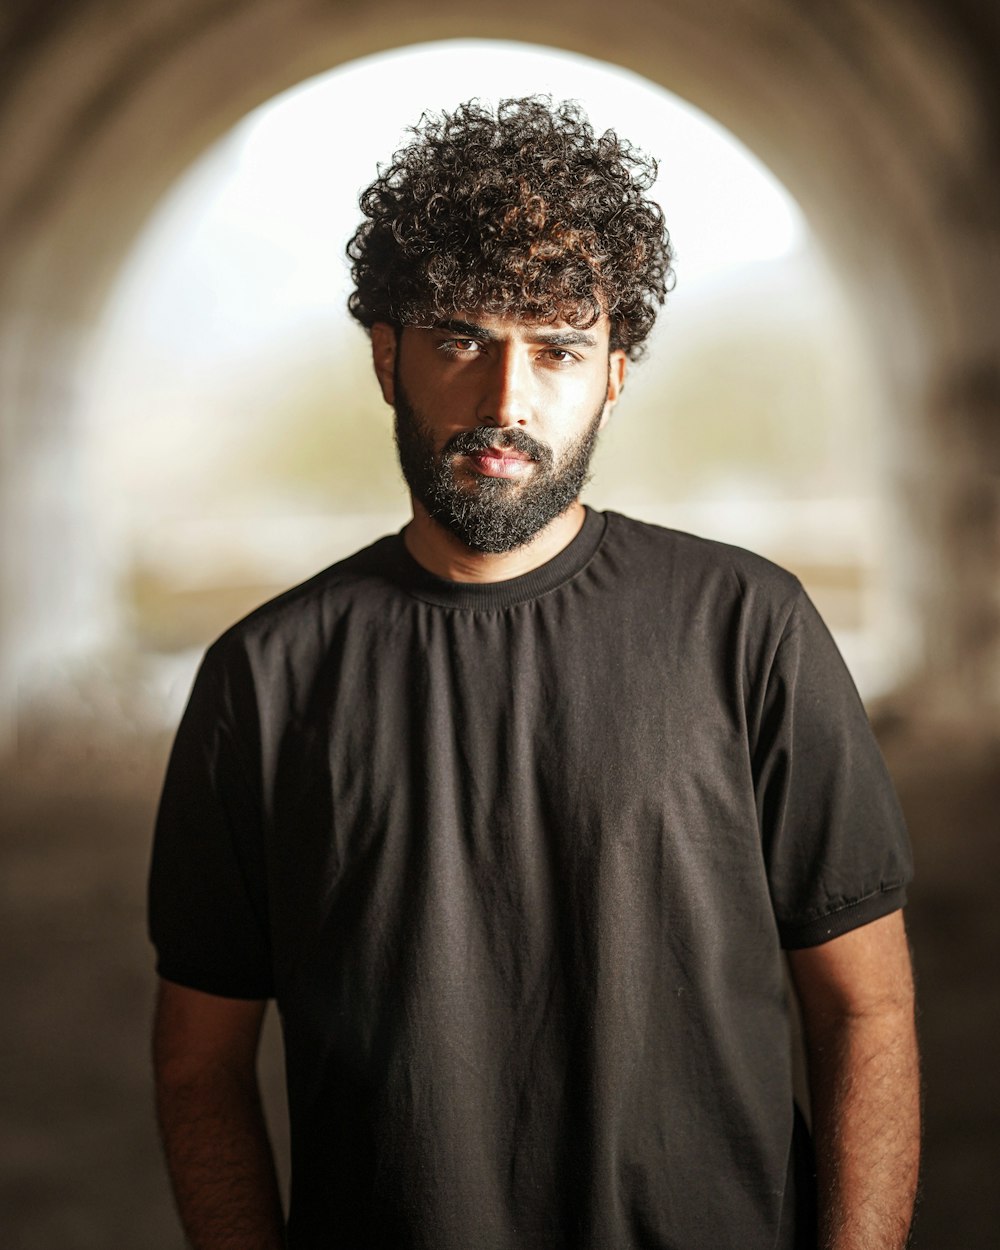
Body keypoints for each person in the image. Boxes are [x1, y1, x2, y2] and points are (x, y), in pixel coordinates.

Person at [148, 97, 919, 1250]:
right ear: (385, 356)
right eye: (460, 339)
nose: (506, 400)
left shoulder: (747, 626)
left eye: (557, 349)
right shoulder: (266, 678)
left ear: (613, 372)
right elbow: (200, 1066)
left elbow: (864, 1009)